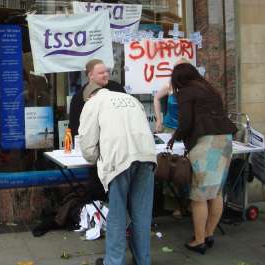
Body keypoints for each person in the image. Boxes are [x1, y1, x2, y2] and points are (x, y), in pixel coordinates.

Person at [79, 82, 157, 265]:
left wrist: (95, 157)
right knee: (142, 214)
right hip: (146, 155)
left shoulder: (93, 103)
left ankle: (114, 261)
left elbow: (88, 146)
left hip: (119, 160)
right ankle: (142, 260)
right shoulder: (131, 99)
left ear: (90, 96)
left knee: (117, 214)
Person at [167, 63, 237, 254]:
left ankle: (199, 241)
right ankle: (208, 234)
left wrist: (175, 137)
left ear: (178, 79)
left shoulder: (186, 93)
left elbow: (186, 122)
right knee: (216, 192)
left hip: (206, 144)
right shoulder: (209, 89)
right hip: (225, 140)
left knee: (199, 195)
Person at [153, 58, 190, 218]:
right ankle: (173, 204)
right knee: (170, 165)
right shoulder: (170, 86)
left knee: (187, 165)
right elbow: (156, 98)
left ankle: (188, 202)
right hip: (170, 129)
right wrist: (159, 120)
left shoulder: (192, 87)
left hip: (187, 130)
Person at [68, 59, 125, 136]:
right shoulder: (79, 96)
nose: (106, 75)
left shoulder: (117, 88)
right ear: (90, 75)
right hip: (93, 139)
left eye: (106, 71)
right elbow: (74, 125)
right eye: (101, 73)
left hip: (117, 136)